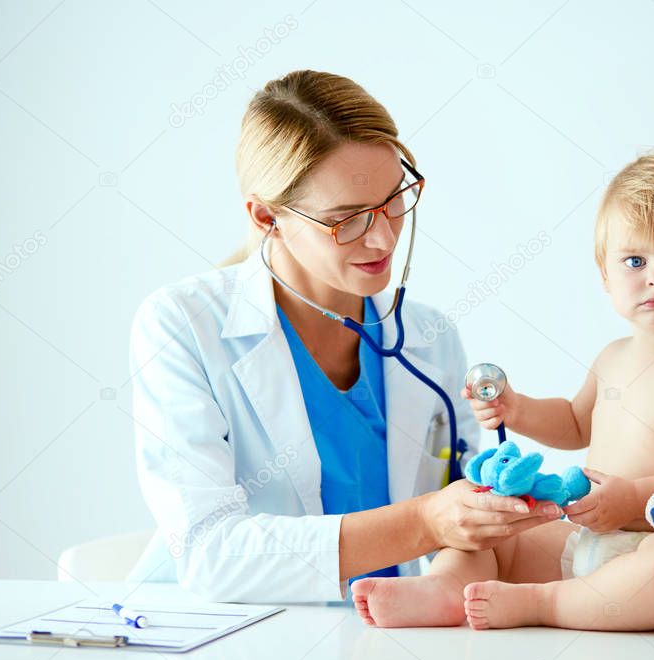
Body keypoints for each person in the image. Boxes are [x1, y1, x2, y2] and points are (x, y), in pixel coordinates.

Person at [125, 70, 564, 603]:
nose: (382, 237)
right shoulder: (181, 326)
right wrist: (427, 522)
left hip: (378, 635)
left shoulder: (428, 336)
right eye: (346, 219)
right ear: (266, 217)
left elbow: (466, 510)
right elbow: (210, 554)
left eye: (392, 199)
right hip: (218, 642)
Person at [352, 152, 654, 629]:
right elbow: (574, 422)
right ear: (605, 273)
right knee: (489, 526)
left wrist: (634, 499)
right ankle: (446, 588)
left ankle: (541, 604)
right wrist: (517, 408)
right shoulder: (613, 356)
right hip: (586, 540)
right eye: (635, 260)